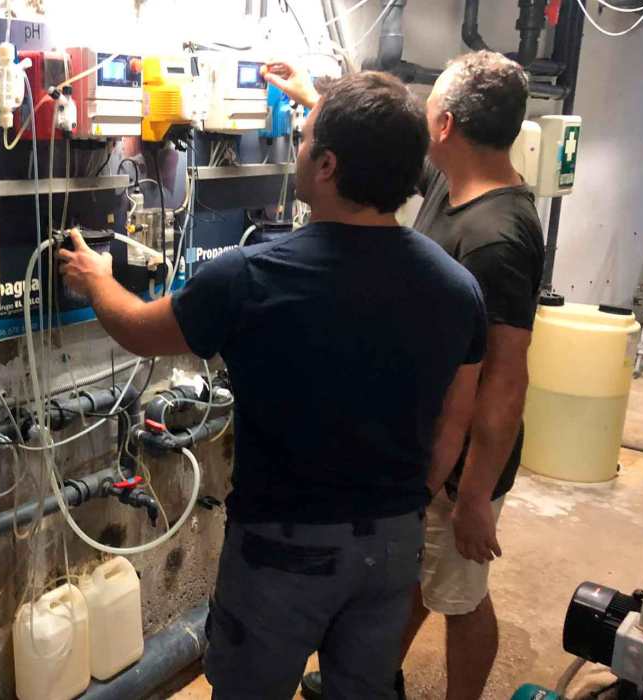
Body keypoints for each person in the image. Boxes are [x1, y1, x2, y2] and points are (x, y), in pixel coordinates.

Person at [59, 70, 487, 700]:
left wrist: (96, 277)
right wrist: (405, 500)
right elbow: (456, 420)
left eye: (305, 139)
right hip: (392, 543)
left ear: (327, 165)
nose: (298, 150)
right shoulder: (456, 287)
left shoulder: (250, 276)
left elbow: (138, 331)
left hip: (281, 549)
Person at [269, 52, 545, 700]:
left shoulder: (497, 236)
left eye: (429, 107)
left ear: (445, 125)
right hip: (434, 439)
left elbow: (506, 380)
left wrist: (473, 495)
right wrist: (312, 97)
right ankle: (373, 679)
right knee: (421, 574)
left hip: (466, 461)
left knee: (462, 596)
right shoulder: (456, 180)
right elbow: (382, 151)